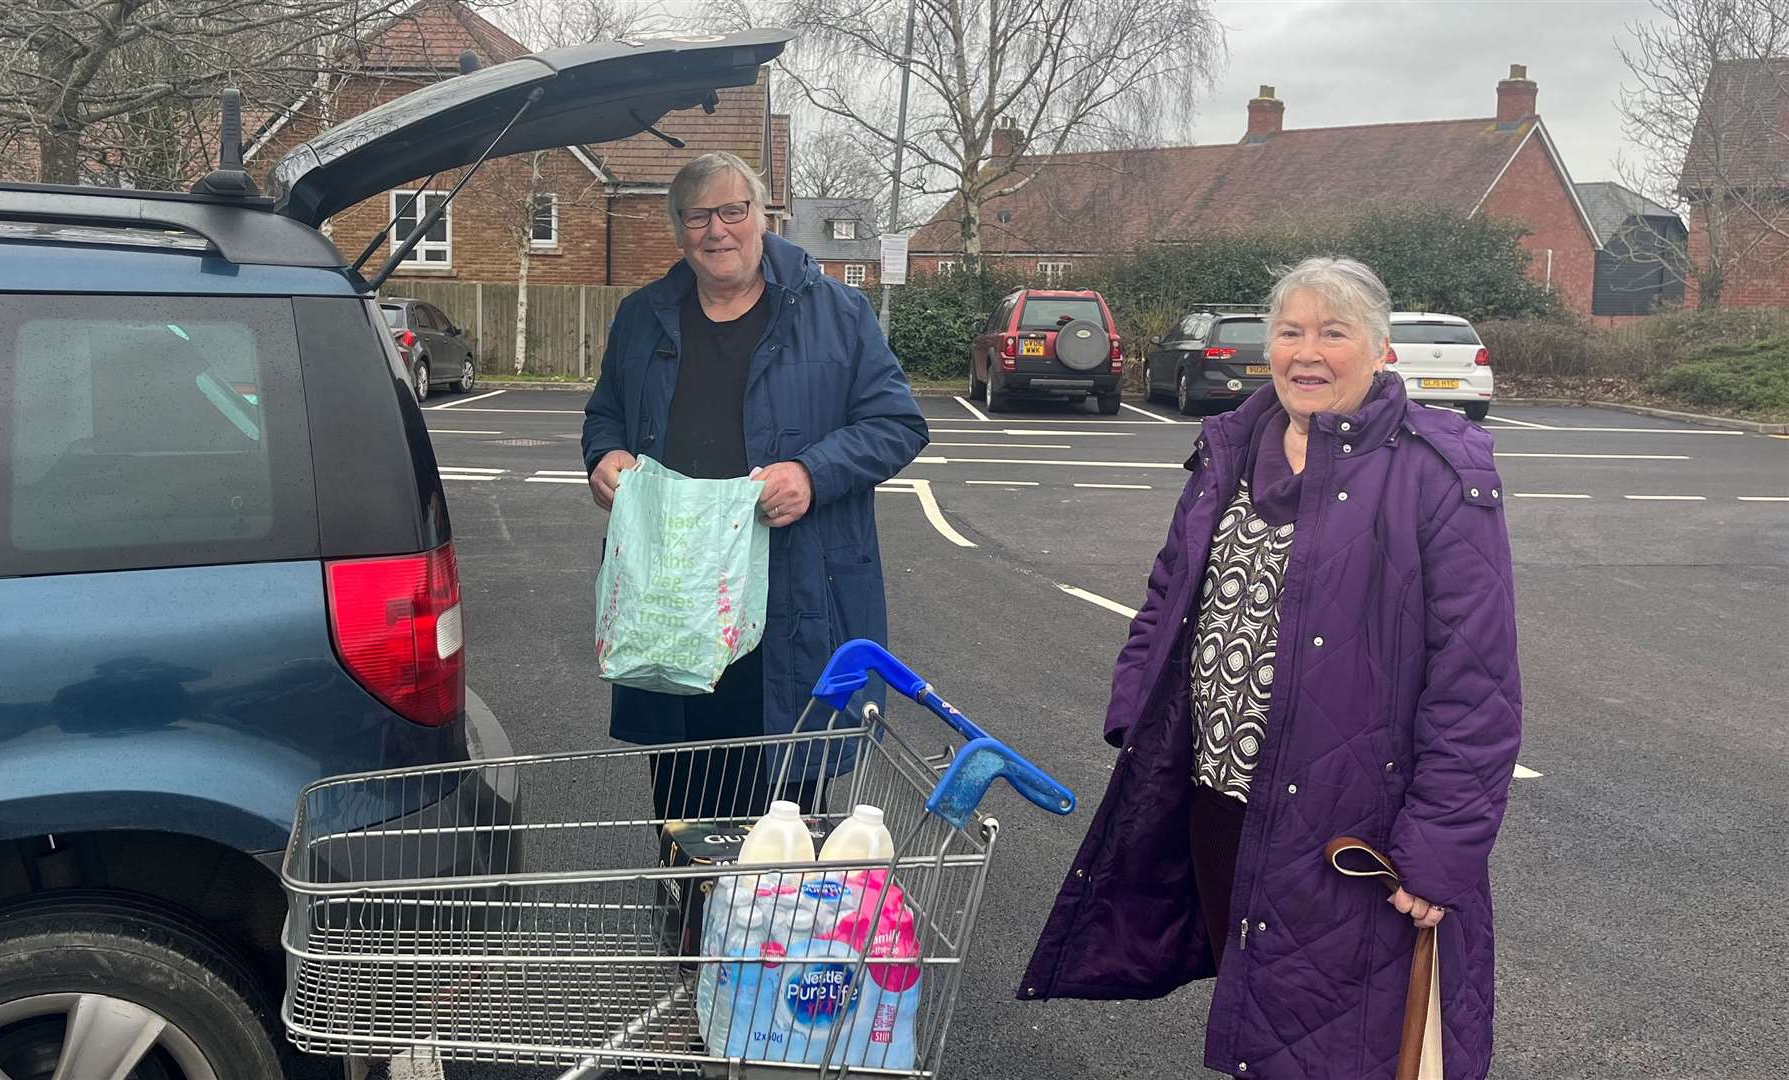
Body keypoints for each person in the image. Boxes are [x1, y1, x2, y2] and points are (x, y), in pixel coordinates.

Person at [1019, 257, 1521, 1080]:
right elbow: (1170, 588)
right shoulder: (1233, 446)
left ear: (1381, 348)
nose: (1307, 351)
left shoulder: (1436, 472)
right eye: (1291, 331)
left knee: (1343, 1049)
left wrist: (1441, 850)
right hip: (1221, 802)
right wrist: (1135, 702)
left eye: (1334, 331)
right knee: (1256, 1023)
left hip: (1348, 825)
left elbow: (1478, 682)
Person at [581, 151, 928, 823]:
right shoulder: (642, 317)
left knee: (782, 812)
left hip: (791, 594)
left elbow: (897, 422)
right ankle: (688, 922)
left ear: (763, 216)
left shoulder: (836, 312)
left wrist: (813, 474)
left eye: (733, 211)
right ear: (678, 231)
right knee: (683, 797)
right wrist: (606, 455)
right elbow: (606, 415)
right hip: (673, 603)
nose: (718, 230)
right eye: (698, 216)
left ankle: (767, 927)